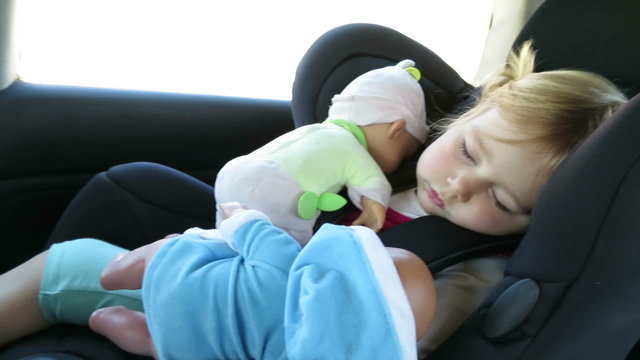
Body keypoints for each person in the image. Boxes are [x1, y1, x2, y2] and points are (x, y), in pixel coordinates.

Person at [0, 41, 627, 356]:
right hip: (231, 278)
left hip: (252, 326)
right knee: (120, 201)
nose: (462, 186)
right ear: (458, 120)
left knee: (70, 266)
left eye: (503, 198)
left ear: (538, 221)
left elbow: (353, 336)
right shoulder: (394, 172)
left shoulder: (469, 271)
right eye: (468, 151)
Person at [85, 202, 436, 359]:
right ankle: (106, 322)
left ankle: (114, 272)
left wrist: (241, 215)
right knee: (150, 340)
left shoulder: (288, 268)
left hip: (180, 276)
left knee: (160, 252)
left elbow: (254, 233)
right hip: (186, 348)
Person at [214, 59, 427, 244]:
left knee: (230, 230)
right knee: (281, 244)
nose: (400, 163)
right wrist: (374, 207)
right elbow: (372, 182)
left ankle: (205, 242)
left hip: (234, 174)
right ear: (396, 130)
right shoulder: (350, 147)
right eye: (404, 153)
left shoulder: (318, 131)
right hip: (273, 194)